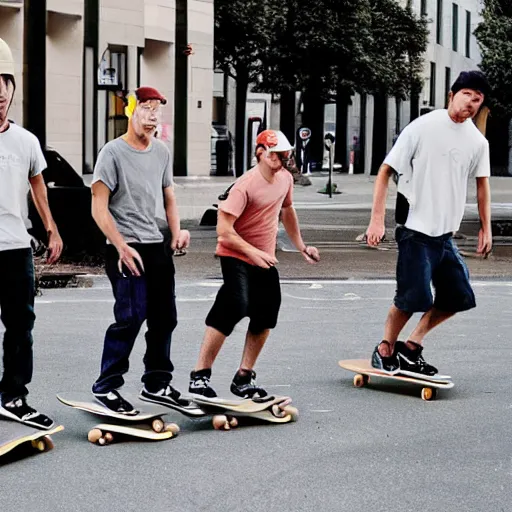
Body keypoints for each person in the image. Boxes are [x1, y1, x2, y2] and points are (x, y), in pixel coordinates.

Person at [365, 70, 492, 377]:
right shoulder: (423, 127)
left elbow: (482, 185)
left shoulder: (477, 141)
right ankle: (384, 349)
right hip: (415, 230)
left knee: (459, 296)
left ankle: (410, 348)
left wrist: (486, 228)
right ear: (452, 95)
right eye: (467, 95)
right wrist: (377, 220)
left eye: (478, 99)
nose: (472, 103)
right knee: (413, 298)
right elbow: (385, 170)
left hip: (445, 236)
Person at [188, 129, 320, 398]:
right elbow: (224, 231)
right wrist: (254, 253)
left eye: (284, 155)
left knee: (267, 311)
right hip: (234, 254)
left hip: (263, 256)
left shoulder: (284, 179)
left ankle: (243, 378)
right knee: (235, 304)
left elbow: (287, 210)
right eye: (274, 154)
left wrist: (301, 246)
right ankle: (200, 377)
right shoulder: (244, 185)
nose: (280, 160)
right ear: (260, 152)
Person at [90, 86, 191, 414]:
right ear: (131, 111)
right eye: (146, 109)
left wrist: (177, 232)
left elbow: (169, 197)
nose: (152, 116)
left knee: (165, 317)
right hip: (123, 248)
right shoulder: (112, 153)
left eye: (157, 111)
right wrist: (120, 245)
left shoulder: (161, 151)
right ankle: (106, 386)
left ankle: (157, 382)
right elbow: (98, 208)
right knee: (130, 317)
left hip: (155, 246)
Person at [0, 38, 63, 429]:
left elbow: (38, 185)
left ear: (10, 91)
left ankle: (13, 395)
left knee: (21, 325)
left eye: (2, 91)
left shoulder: (26, 142)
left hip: (15, 246)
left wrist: (52, 230)